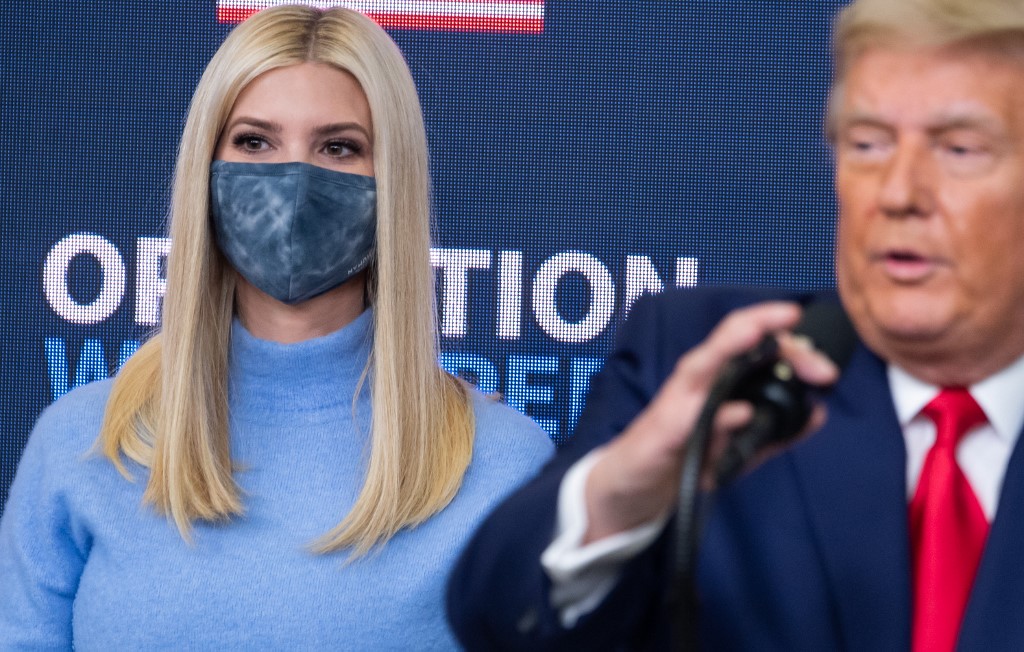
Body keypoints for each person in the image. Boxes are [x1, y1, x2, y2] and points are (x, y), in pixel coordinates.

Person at [447, 0, 1024, 649]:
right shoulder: (710, 365)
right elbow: (496, 616)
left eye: (959, 149)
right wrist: (619, 499)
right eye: (868, 143)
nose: (898, 192)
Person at [0, 6, 553, 648]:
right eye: (254, 141)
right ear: (204, 171)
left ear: (392, 180)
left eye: (339, 146)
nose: (293, 180)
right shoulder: (83, 444)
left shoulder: (504, 468)